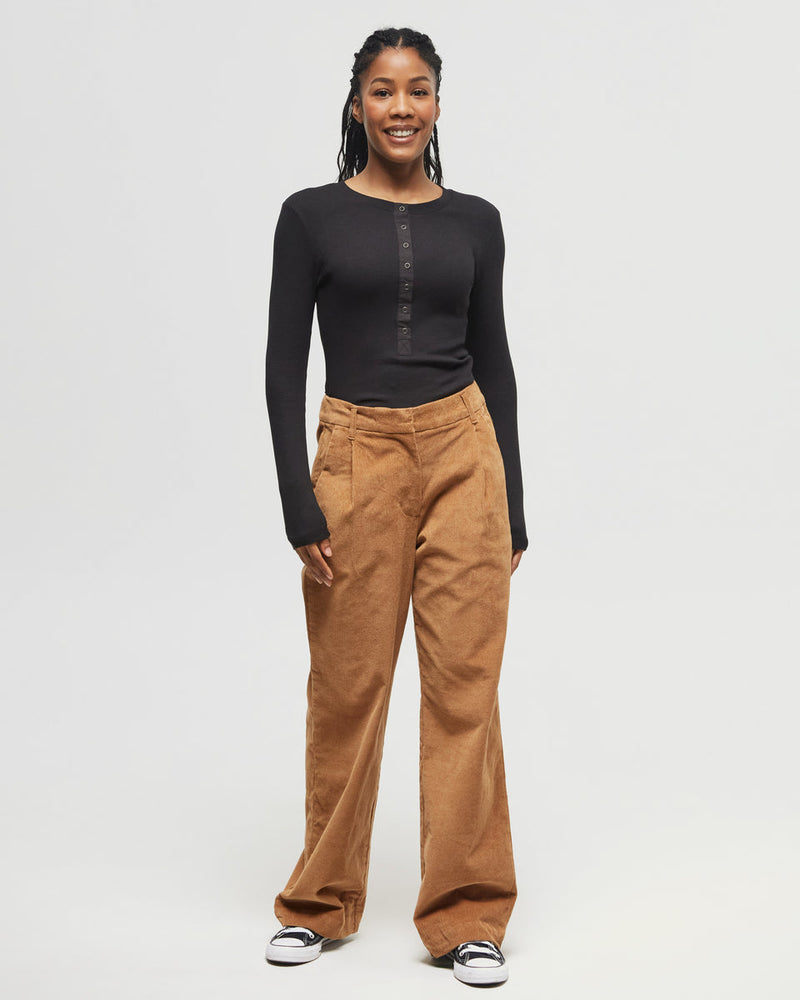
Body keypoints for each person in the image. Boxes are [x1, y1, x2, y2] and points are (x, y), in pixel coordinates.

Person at [263, 27, 529, 988]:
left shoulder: (478, 222)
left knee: (465, 690)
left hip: (465, 453)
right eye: (383, 90)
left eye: (418, 90)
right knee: (347, 686)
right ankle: (319, 903)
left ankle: (467, 916)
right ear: (357, 106)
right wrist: (298, 501)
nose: (401, 107)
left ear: (438, 105)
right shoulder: (309, 217)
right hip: (355, 455)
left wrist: (514, 501)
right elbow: (281, 363)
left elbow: (495, 360)